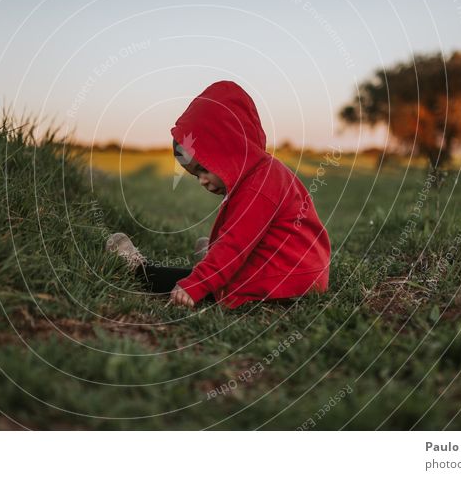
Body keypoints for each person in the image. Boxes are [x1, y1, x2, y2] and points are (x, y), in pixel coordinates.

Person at [106, 80, 331, 309]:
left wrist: (197, 284)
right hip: (302, 270)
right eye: (195, 175)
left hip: (283, 280)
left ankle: (139, 270)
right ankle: (213, 258)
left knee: (203, 281)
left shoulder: (257, 187)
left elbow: (235, 246)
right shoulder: (262, 172)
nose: (202, 181)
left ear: (229, 149)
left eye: (204, 168)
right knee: (221, 257)